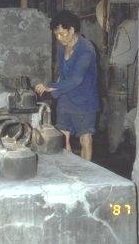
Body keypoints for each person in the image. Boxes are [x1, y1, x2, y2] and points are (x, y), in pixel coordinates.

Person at [35, 10, 99, 161]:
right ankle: (68, 170)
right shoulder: (62, 47)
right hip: (66, 97)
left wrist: (52, 87)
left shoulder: (86, 49)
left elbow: (76, 79)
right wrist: (52, 85)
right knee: (63, 136)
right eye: (56, 34)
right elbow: (62, 74)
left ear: (72, 30)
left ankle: (87, 173)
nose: (59, 38)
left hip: (85, 99)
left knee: (85, 138)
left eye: (62, 34)